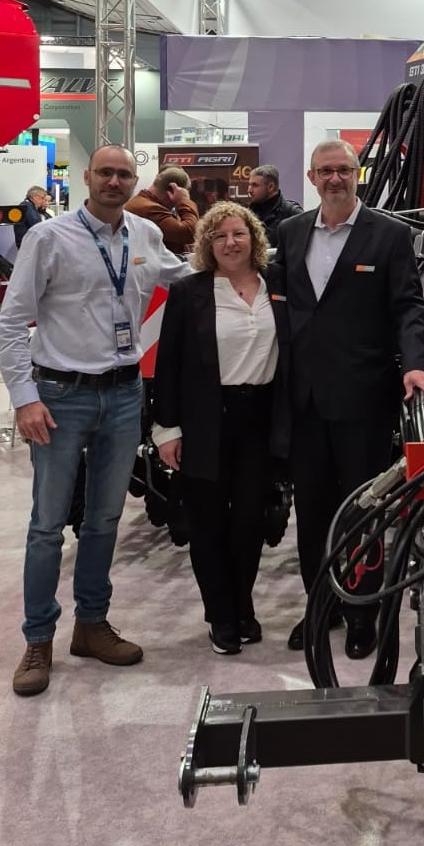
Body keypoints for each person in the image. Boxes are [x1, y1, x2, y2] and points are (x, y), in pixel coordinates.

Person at [0, 144, 190, 697]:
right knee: (46, 524)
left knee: (104, 521)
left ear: (136, 181)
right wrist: (24, 398)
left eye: (124, 173)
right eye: (104, 172)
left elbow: (184, 277)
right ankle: (38, 639)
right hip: (60, 395)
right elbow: (11, 323)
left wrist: (245, 261)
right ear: (87, 177)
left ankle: (91, 625)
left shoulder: (145, 234)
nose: (113, 181)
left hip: (125, 394)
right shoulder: (48, 238)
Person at [270, 138, 424, 659]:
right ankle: (322, 606)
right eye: (325, 171)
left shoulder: (389, 235)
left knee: (363, 511)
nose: (334, 179)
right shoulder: (291, 233)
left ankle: (364, 611)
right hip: (304, 401)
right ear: (311, 177)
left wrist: (416, 365)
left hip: (363, 400)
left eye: (343, 170)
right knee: (312, 513)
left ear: (357, 174)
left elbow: (408, 307)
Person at [152, 201, 277, 656]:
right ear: (207, 244)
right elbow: (168, 365)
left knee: (249, 521)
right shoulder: (190, 292)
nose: (230, 242)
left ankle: (243, 607)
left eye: (238, 233)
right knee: (208, 524)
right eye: (219, 236)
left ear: (254, 239)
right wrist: (167, 429)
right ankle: (220, 616)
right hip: (206, 419)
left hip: (259, 419)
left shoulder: (275, 287)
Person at [125, 166, 199, 255]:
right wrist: (184, 200)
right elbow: (189, 232)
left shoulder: (143, 203)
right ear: (172, 191)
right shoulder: (150, 209)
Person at [247, 164, 304, 240]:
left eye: (255, 185)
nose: (249, 190)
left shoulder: (292, 212)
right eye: (249, 185)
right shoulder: (249, 213)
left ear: (271, 187)